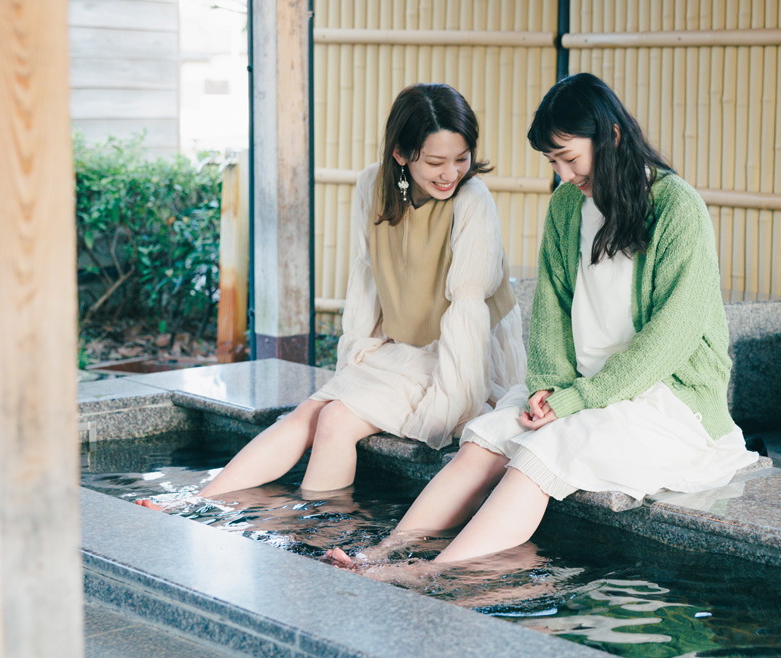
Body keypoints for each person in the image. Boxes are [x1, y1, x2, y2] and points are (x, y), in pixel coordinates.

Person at [338, 73, 757, 564]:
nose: (563, 174)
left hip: (664, 398)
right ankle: (385, 555)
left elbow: (673, 335)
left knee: (538, 457)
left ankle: (429, 575)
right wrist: (547, 385)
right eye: (552, 162)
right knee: (486, 443)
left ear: (611, 136)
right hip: (577, 387)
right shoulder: (566, 206)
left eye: (569, 158)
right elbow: (553, 309)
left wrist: (578, 398)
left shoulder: (676, 207)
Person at [137, 83, 525, 508]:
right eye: (435, 162)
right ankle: (197, 501)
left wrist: (451, 406)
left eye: (461, 159)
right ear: (400, 153)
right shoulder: (371, 185)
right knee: (309, 413)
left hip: (459, 359)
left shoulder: (472, 199)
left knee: (336, 419)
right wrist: (354, 366)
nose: (450, 173)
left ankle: (321, 540)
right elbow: (366, 281)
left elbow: (468, 314)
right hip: (402, 351)